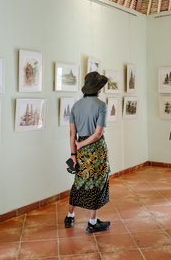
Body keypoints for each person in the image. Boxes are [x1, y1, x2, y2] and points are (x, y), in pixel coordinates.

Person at [64, 72, 111, 233]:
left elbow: (72, 134)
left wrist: (73, 153)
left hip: (80, 152)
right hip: (96, 151)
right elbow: (98, 134)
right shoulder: (102, 106)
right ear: (98, 89)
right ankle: (92, 222)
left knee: (78, 182)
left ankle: (70, 216)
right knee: (97, 185)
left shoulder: (76, 106)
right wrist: (81, 144)